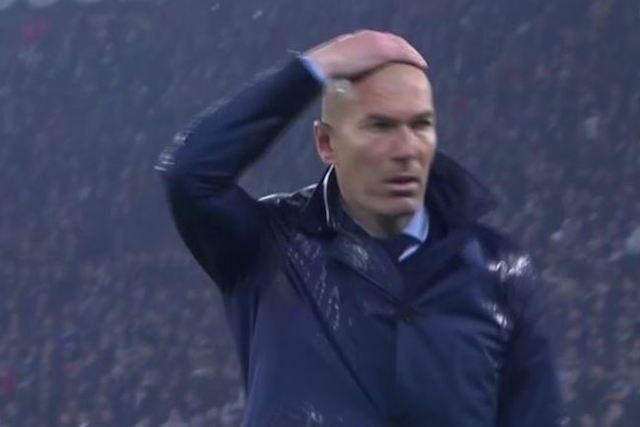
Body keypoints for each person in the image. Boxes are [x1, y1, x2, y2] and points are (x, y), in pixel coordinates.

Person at [157, 30, 564, 427]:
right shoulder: (270, 244)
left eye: (420, 125)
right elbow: (189, 175)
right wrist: (314, 68)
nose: (406, 149)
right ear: (326, 144)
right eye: (380, 126)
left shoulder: (500, 273)